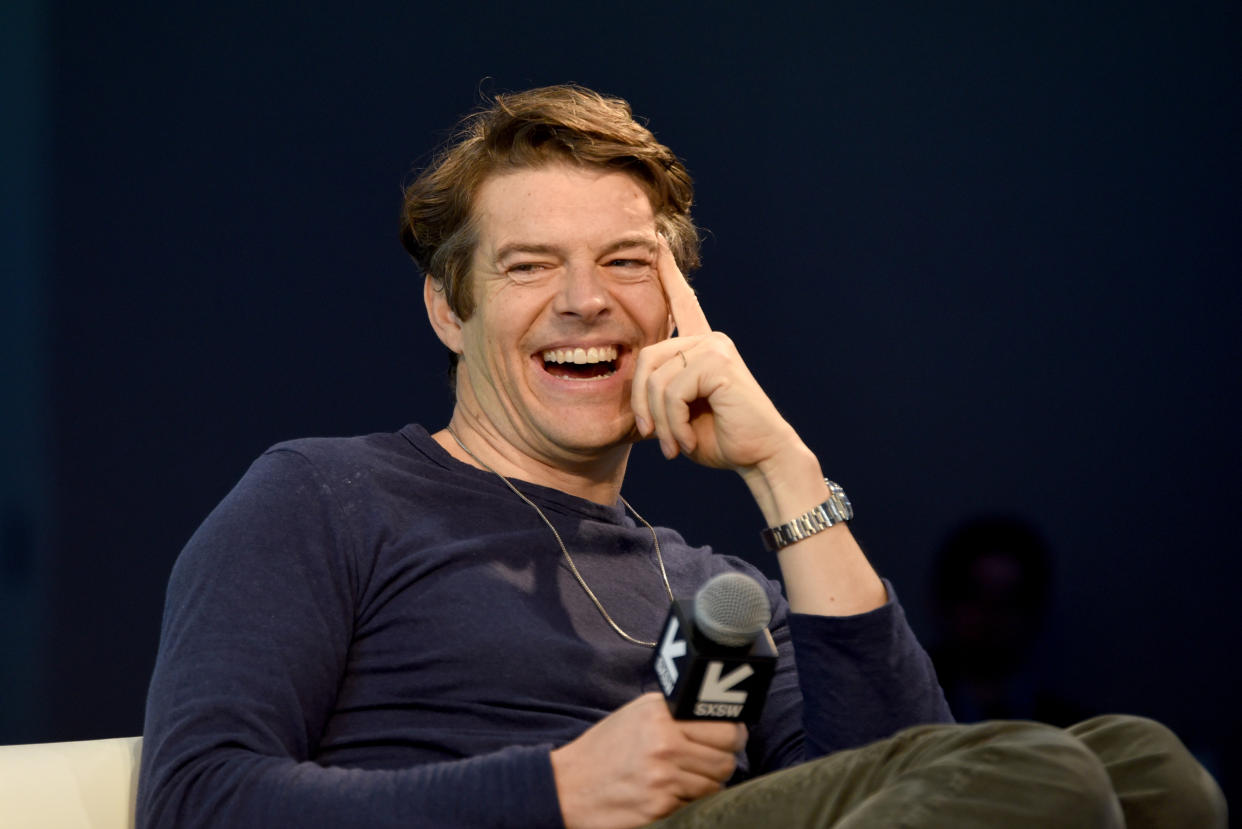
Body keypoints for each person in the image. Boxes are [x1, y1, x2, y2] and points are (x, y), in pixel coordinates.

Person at [137, 85, 1226, 828]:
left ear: (677, 308)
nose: (583, 300)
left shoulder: (719, 585)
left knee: (1146, 768)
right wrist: (557, 790)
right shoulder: (326, 495)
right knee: (1038, 763)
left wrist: (782, 466)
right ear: (449, 309)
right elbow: (194, 799)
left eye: (624, 260)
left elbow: (921, 781)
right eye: (529, 266)